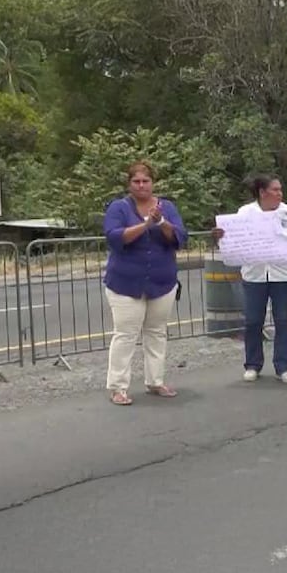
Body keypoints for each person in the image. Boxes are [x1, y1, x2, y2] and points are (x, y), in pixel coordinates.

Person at [102, 160, 188, 406]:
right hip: (125, 283)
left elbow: (180, 238)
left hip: (162, 281)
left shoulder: (167, 207)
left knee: (156, 333)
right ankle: (118, 387)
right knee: (125, 335)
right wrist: (146, 224)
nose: (141, 185)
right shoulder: (119, 208)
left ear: (153, 183)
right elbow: (115, 237)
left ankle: (155, 381)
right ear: (129, 184)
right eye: (136, 181)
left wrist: (161, 222)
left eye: (145, 181)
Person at [213, 174, 287, 384]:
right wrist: (223, 237)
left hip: (282, 274)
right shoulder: (246, 212)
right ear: (262, 192)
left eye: (280, 189)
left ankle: (283, 366)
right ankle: (252, 364)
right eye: (275, 190)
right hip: (254, 275)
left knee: (283, 320)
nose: (280, 193)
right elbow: (236, 237)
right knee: (252, 321)